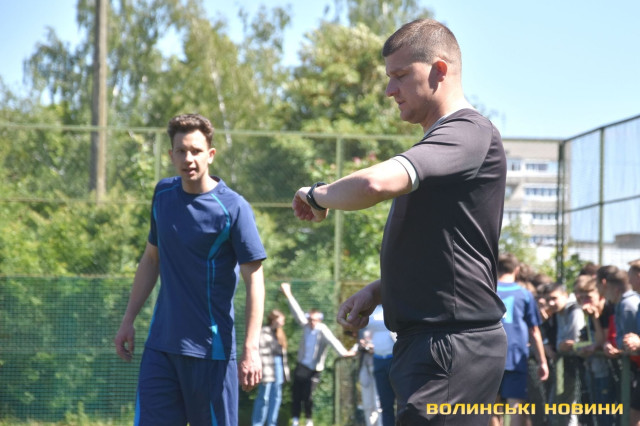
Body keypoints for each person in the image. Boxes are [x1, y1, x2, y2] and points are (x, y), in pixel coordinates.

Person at [292, 18, 508, 425]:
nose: (390, 90)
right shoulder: (443, 144)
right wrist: (381, 290)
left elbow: (373, 184)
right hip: (433, 344)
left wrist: (316, 194)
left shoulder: (467, 132)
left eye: (401, 75)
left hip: (452, 345)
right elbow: (444, 249)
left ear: (439, 70)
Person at [113, 113, 266, 426]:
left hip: (211, 352)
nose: (188, 158)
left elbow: (255, 280)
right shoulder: (163, 195)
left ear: (211, 154)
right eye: (181, 151)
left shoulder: (233, 208)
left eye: (196, 151)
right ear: (171, 155)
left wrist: (251, 348)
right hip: (161, 347)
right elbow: (151, 259)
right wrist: (128, 320)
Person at [280, 282, 356, 426]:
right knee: (296, 394)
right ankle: (295, 419)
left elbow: (333, 341)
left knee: (308, 396)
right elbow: (296, 312)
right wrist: (288, 294)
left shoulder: (322, 329)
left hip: (315, 369)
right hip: (302, 366)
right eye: (310, 319)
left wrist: (344, 353)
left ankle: (309, 420)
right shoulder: (306, 326)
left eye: (315, 320)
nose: (312, 322)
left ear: (319, 320)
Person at [491, 253, 548, 426]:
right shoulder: (524, 294)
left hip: (488, 355)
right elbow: (534, 331)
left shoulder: (488, 291)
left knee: (491, 406)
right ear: (516, 270)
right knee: (515, 406)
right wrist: (542, 361)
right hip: (515, 357)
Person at [574, 275, 616, 426]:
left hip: (610, 370)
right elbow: (591, 340)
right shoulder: (591, 313)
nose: (586, 301)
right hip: (594, 368)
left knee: (607, 412)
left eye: (589, 297)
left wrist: (595, 318)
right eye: (582, 297)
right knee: (597, 411)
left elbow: (601, 340)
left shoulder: (608, 310)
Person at [603, 269, 640, 425]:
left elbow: (629, 341)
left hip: (634, 366)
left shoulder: (627, 304)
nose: (629, 283)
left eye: (632, 278)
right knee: (633, 413)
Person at [545, 282, 586, 426]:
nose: (551, 303)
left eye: (554, 298)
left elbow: (571, 341)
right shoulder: (556, 314)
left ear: (565, 296)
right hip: (565, 367)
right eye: (548, 299)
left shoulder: (574, 311)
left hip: (577, 366)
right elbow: (559, 343)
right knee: (558, 407)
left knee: (568, 408)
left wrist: (561, 346)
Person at [252, 309, 290, 426]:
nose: (283, 322)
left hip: (278, 366)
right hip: (267, 367)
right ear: (274, 320)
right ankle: (257, 423)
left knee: (276, 397)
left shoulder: (280, 333)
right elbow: (261, 353)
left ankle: (272, 423)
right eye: (281, 319)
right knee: (264, 397)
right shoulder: (263, 332)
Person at [363, 305, 396, 426]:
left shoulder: (395, 304)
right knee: (385, 404)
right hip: (378, 360)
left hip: (395, 360)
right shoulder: (370, 308)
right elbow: (361, 323)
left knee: (404, 402)